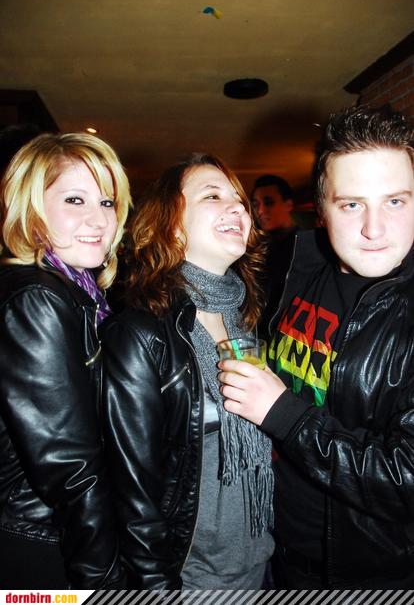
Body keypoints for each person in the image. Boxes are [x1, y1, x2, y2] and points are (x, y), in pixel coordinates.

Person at [219, 105, 414, 588]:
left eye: (395, 201)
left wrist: (283, 414)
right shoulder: (296, 265)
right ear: (321, 211)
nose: (374, 228)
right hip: (273, 550)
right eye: (351, 205)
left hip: (367, 575)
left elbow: (406, 479)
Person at [100, 153, 275, 590]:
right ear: (172, 225)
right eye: (212, 196)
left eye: (239, 199)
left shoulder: (246, 318)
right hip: (192, 577)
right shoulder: (142, 333)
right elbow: (132, 490)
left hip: (262, 558)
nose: (237, 208)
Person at [0, 132, 131, 588]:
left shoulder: (77, 293)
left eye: (107, 202)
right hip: (40, 540)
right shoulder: (39, 297)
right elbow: (69, 466)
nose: (99, 219)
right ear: (31, 209)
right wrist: (101, 579)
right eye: (75, 200)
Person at [251, 175, 298, 337]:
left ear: (288, 205)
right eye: (256, 204)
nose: (260, 211)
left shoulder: (306, 248)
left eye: (269, 202)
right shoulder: (256, 249)